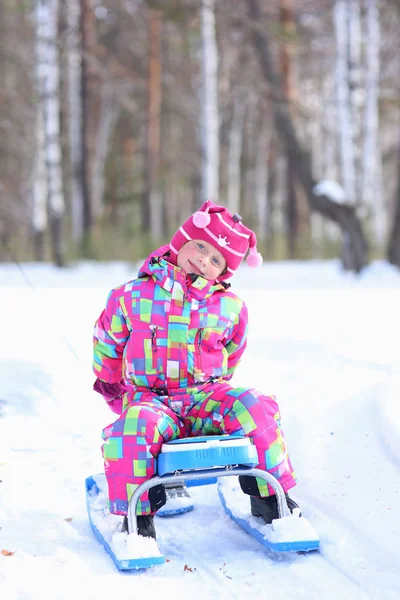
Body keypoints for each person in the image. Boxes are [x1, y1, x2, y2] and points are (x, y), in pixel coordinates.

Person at [93, 200, 298, 539]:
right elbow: (107, 341)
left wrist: (218, 387)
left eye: (216, 259)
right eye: (200, 245)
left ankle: (269, 496)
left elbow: (232, 352)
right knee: (133, 429)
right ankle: (139, 515)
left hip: (205, 398)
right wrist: (111, 381)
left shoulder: (230, 307)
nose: (204, 258)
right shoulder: (130, 296)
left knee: (255, 406)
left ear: (224, 272)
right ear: (180, 241)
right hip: (151, 401)